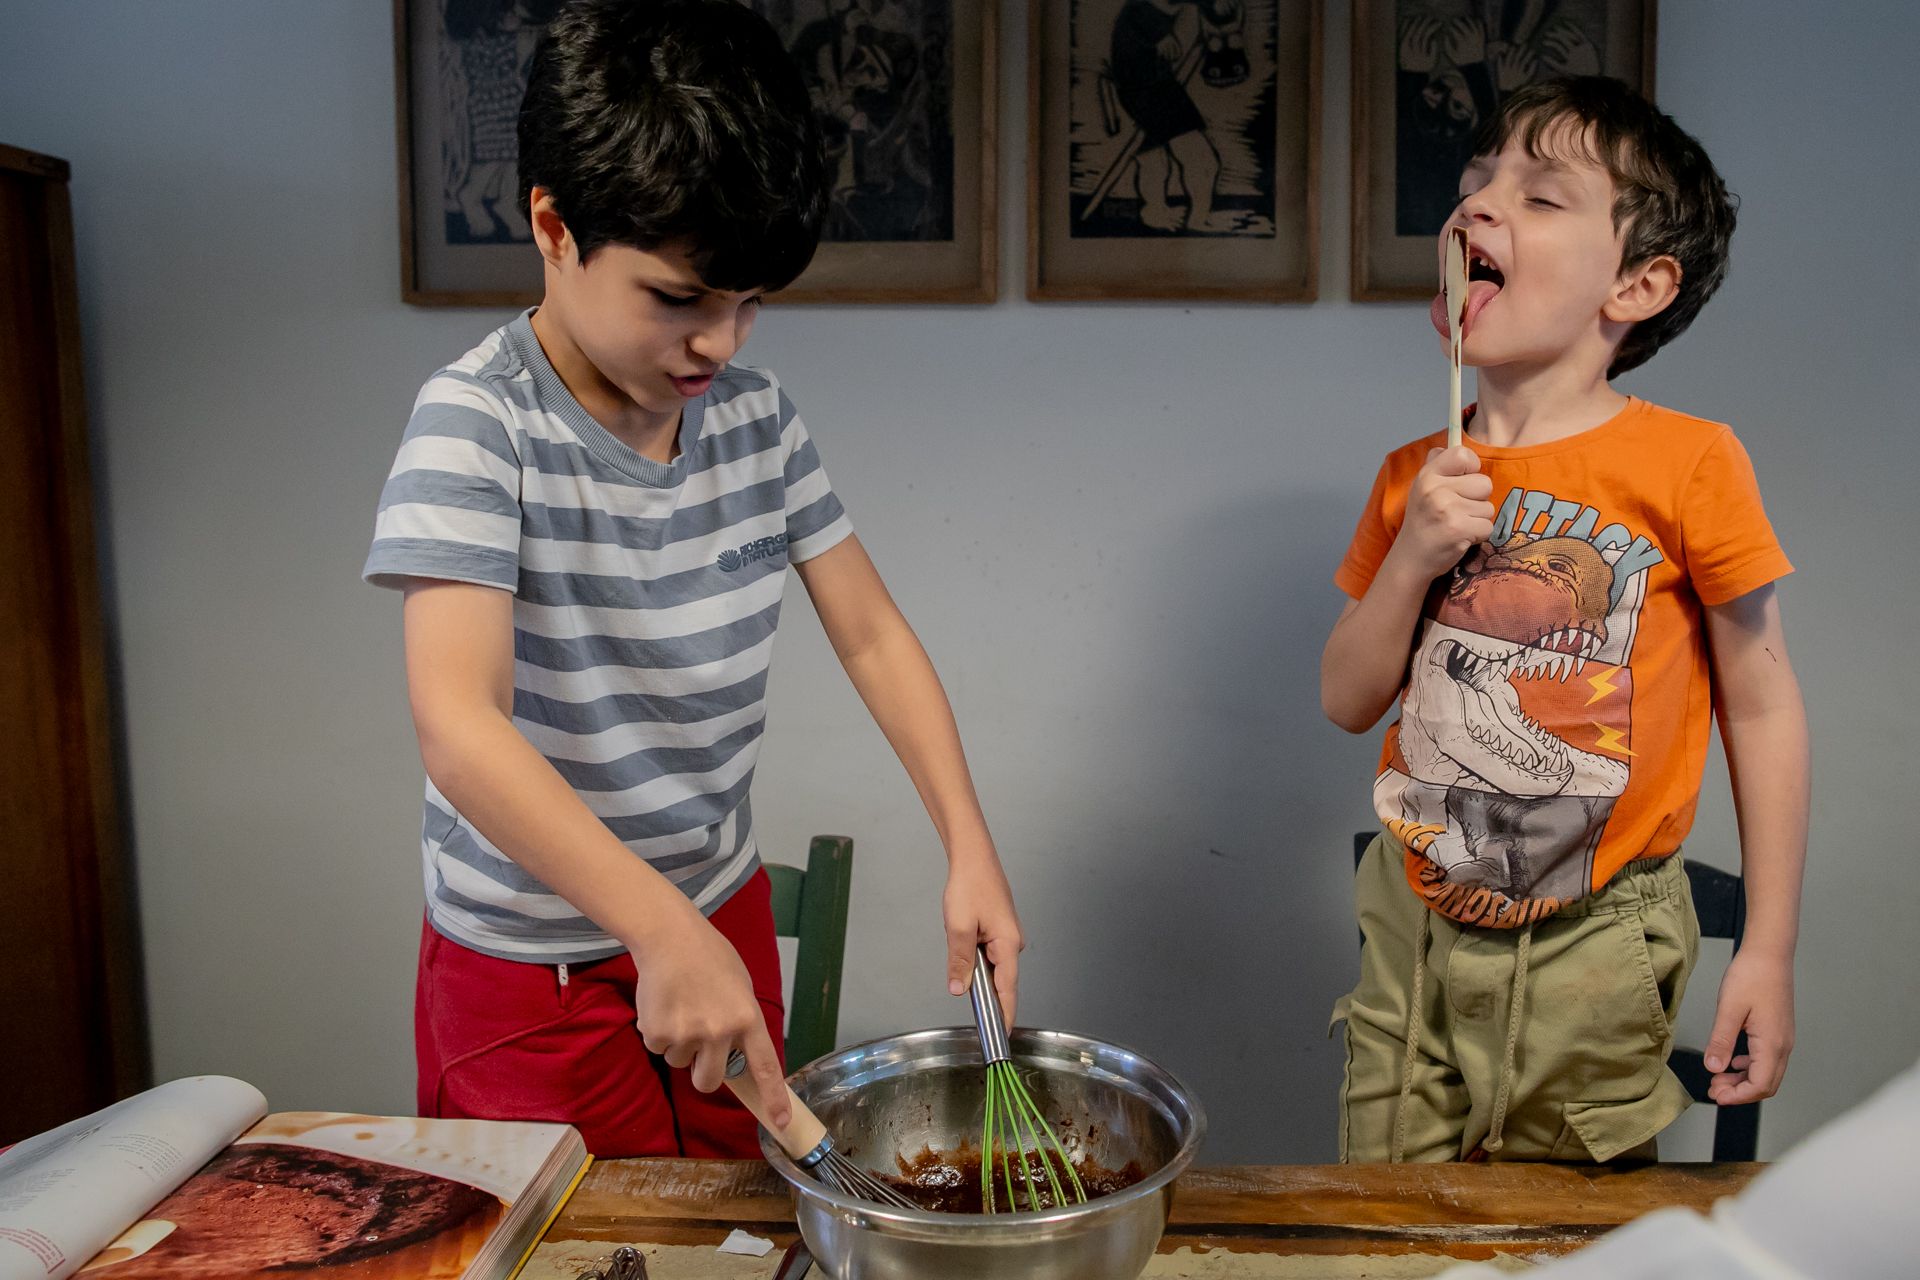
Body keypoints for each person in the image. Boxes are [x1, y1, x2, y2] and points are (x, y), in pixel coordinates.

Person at [363, 0, 1023, 1158]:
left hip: (716, 912)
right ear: (554, 226)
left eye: (748, 302)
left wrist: (967, 839)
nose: (723, 344)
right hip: (532, 970)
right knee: (588, 1235)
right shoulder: (477, 424)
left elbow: (870, 634)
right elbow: (459, 725)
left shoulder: (756, 421)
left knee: (738, 1224)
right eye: (679, 299)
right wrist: (653, 925)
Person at [1323, 77, 1808, 1164]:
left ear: (1638, 283)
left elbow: (1765, 705)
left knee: (1566, 1238)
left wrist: (1768, 946)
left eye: (1540, 197)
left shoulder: (1692, 462)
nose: (1479, 206)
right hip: (1414, 934)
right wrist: (1412, 557)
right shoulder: (1413, 476)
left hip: (1598, 942)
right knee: (1382, 1225)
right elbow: (1346, 697)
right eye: (1474, 185)